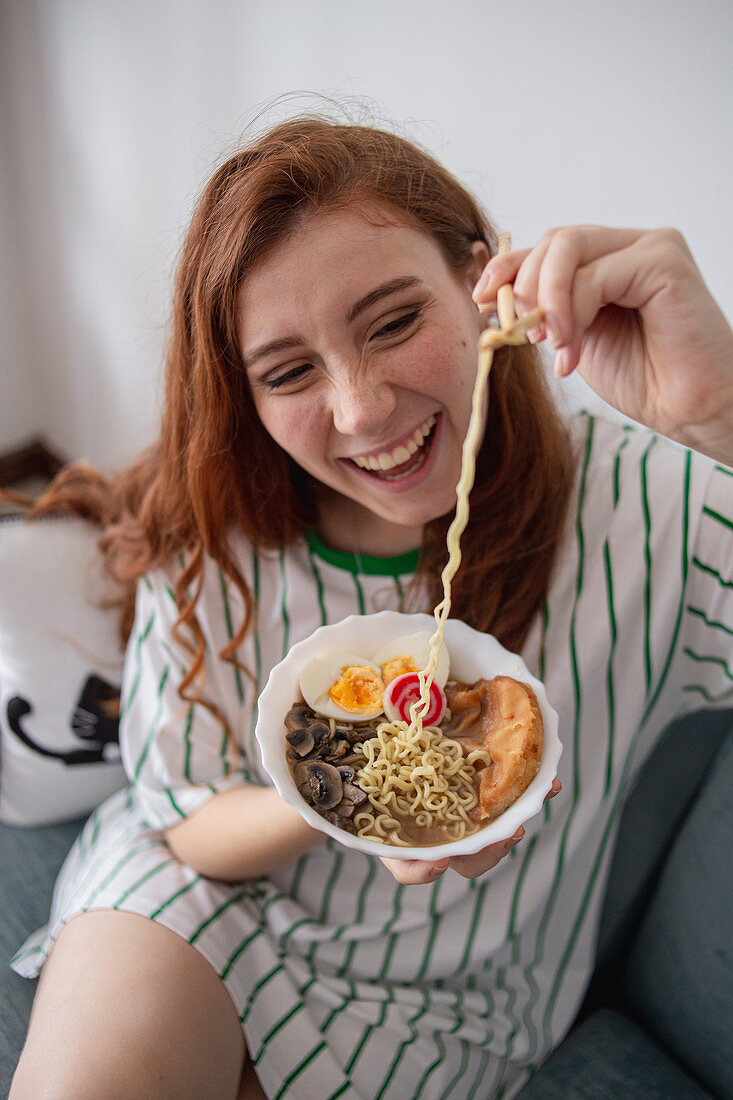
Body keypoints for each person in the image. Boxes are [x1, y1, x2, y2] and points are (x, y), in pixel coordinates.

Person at [9, 115, 733, 1100]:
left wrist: (720, 414)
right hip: (197, 904)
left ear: (485, 286)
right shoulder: (218, 531)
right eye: (289, 370)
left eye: (394, 321)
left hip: (449, 1004)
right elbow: (182, 823)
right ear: (247, 396)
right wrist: (347, 797)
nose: (361, 410)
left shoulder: (647, 504)